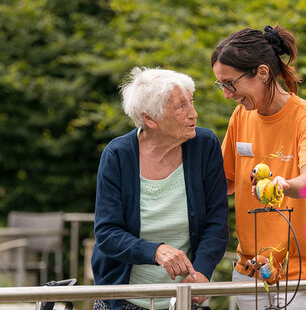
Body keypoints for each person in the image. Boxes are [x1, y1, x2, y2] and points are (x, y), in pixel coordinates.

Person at [211, 25, 306, 309]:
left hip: (303, 278)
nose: (227, 94)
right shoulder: (240, 117)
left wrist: (283, 184)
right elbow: (223, 183)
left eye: (230, 83)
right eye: (221, 85)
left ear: (261, 72)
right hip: (250, 273)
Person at [92, 67, 230, 310]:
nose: (193, 114)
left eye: (191, 102)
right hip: (124, 299)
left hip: (185, 298)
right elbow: (107, 233)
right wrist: (156, 251)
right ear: (149, 119)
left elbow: (217, 222)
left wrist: (202, 272)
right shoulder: (117, 155)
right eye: (181, 107)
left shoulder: (205, 145)